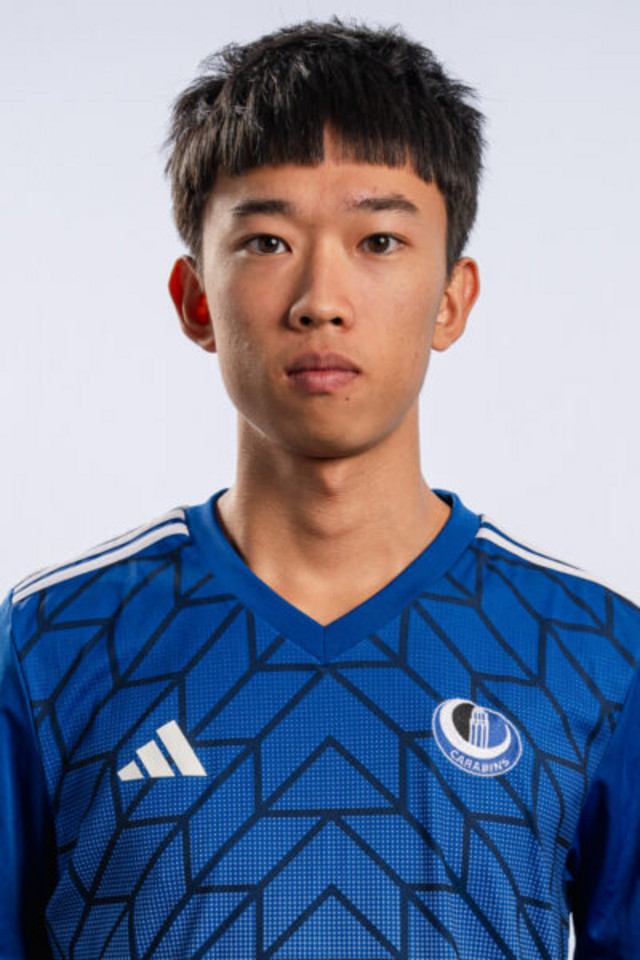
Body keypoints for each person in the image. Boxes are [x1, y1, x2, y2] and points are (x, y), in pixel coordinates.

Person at [1, 19, 638, 960]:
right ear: (195, 299)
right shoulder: (50, 645)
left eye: (379, 239)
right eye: (267, 241)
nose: (320, 300)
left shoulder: (598, 655)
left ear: (452, 299)